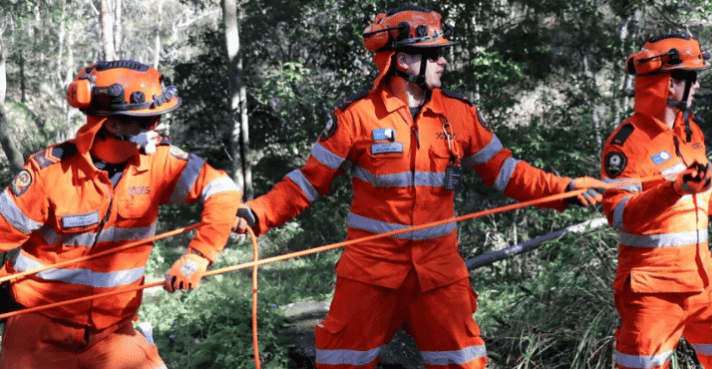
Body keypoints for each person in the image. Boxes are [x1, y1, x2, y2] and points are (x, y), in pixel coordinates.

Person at [234, 6, 606, 369]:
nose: (443, 61)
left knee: (464, 363)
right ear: (402, 61)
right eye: (434, 54)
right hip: (370, 273)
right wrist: (258, 213)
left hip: (439, 273)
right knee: (342, 362)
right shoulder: (356, 116)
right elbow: (307, 182)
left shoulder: (459, 113)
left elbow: (507, 172)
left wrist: (565, 189)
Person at [0, 60, 242, 368]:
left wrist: (199, 256)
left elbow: (222, 189)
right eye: (148, 121)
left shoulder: (159, 162)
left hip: (112, 331)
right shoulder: (49, 173)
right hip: (38, 327)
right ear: (113, 125)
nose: (158, 127)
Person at [601, 33, 712, 368]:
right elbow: (619, 213)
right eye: (690, 78)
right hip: (653, 289)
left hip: (705, 280)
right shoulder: (627, 144)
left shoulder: (690, 134)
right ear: (667, 84)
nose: (697, 86)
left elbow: (704, 193)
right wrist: (673, 189)